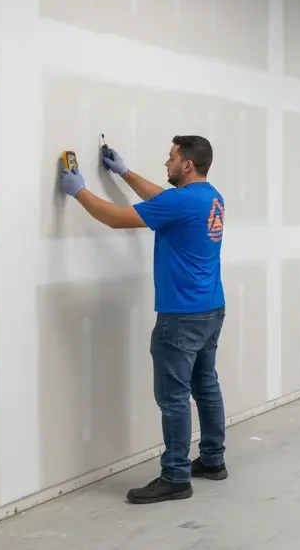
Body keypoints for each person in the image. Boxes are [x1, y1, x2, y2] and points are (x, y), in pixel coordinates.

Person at [58, 135, 228, 504]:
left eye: (171, 157)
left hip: (181, 316)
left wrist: (79, 191)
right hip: (211, 309)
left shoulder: (181, 201)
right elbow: (162, 200)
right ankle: (213, 460)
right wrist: (124, 173)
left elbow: (115, 219)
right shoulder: (210, 196)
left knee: (173, 397)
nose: (166, 163)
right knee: (205, 386)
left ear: (187, 165)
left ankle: (176, 477)